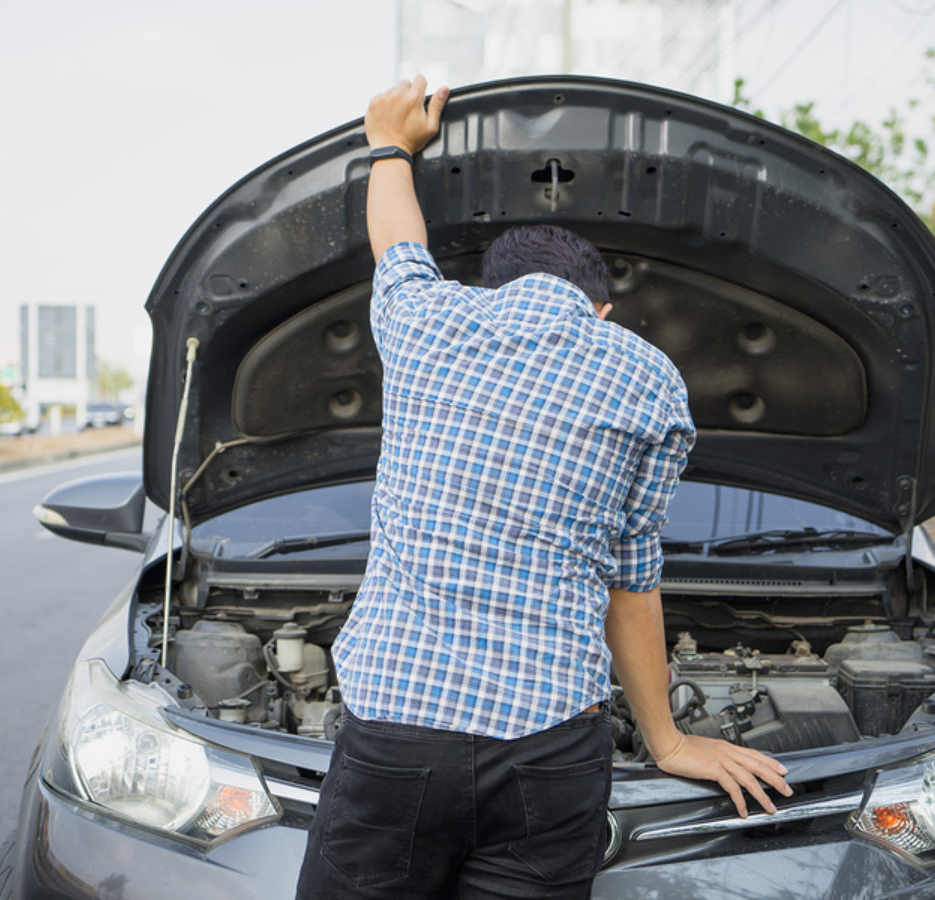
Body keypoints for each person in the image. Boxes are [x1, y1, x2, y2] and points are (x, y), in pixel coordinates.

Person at [295, 76, 792, 900]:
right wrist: (666, 743)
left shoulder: (431, 322)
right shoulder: (649, 379)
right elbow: (632, 582)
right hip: (552, 748)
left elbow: (398, 243)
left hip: (397, 735)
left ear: (497, 291)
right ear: (600, 309)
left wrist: (391, 146)